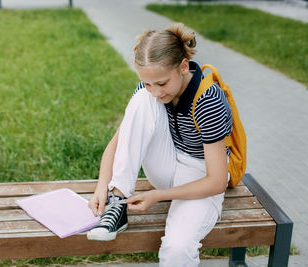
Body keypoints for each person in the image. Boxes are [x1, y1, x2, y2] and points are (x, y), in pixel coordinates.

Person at [87, 23, 232, 266]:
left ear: (183, 67)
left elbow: (217, 181)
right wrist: (103, 186)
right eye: (147, 83)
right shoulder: (150, 92)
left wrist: (159, 195)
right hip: (167, 164)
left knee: (177, 250)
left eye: (162, 84)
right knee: (141, 100)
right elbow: (118, 142)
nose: (155, 92)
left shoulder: (209, 100)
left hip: (201, 177)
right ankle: (117, 202)